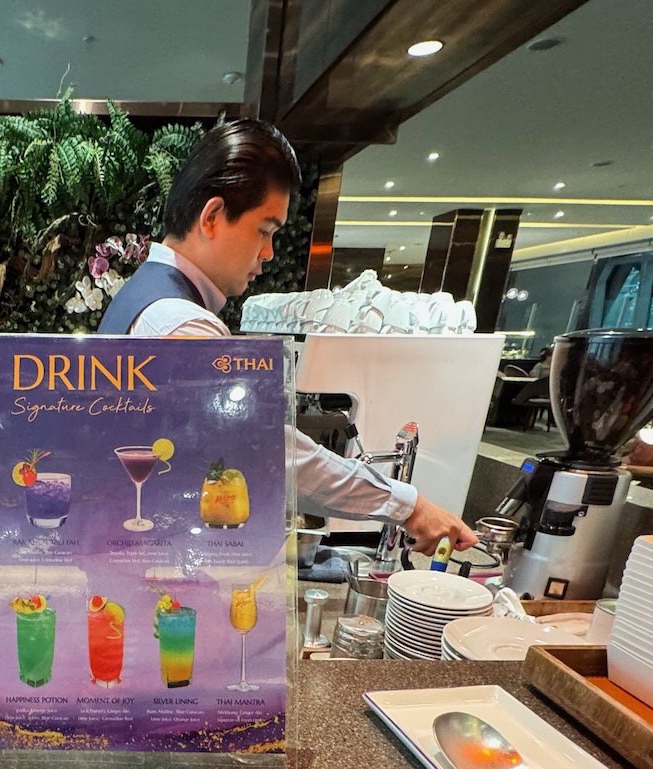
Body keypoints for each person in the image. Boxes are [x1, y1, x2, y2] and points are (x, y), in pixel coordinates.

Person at [97, 119, 478, 551]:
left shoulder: (145, 296)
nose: (268, 253)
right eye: (264, 230)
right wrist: (409, 506)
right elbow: (271, 454)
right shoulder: (183, 326)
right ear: (213, 217)